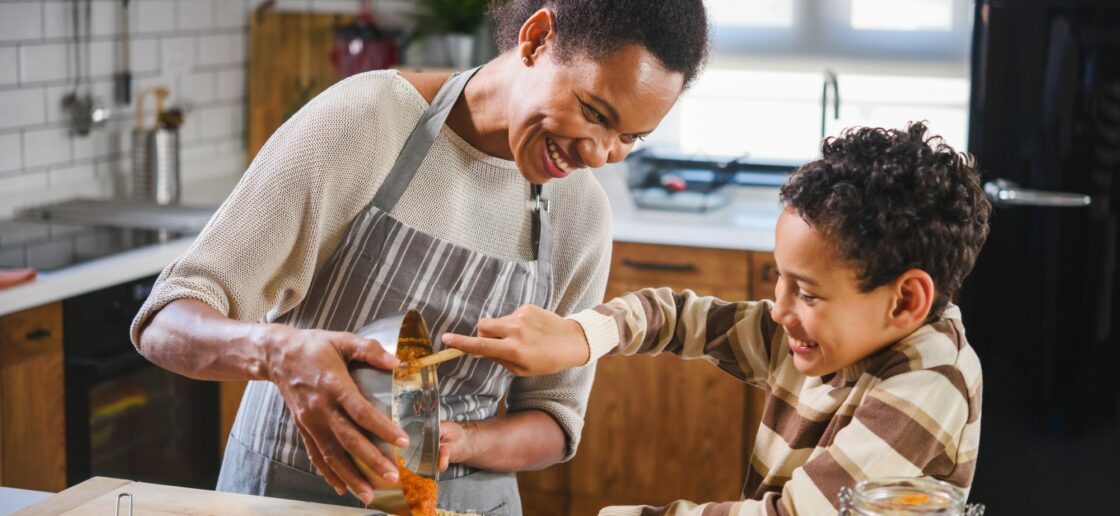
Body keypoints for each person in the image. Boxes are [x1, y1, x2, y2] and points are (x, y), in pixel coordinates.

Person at [128, 1, 709, 513]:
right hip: (290, 494)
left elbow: (556, 420)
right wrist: (277, 352)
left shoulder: (582, 213)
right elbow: (166, 319)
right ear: (535, 39)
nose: (600, 153)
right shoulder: (367, 121)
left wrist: (460, 442)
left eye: (630, 137)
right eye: (594, 111)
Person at [443, 123, 991, 514]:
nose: (779, 309)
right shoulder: (825, 336)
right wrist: (581, 337)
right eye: (780, 279)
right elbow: (678, 316)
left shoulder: (928, 380)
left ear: (905, 301)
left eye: (807, 293)